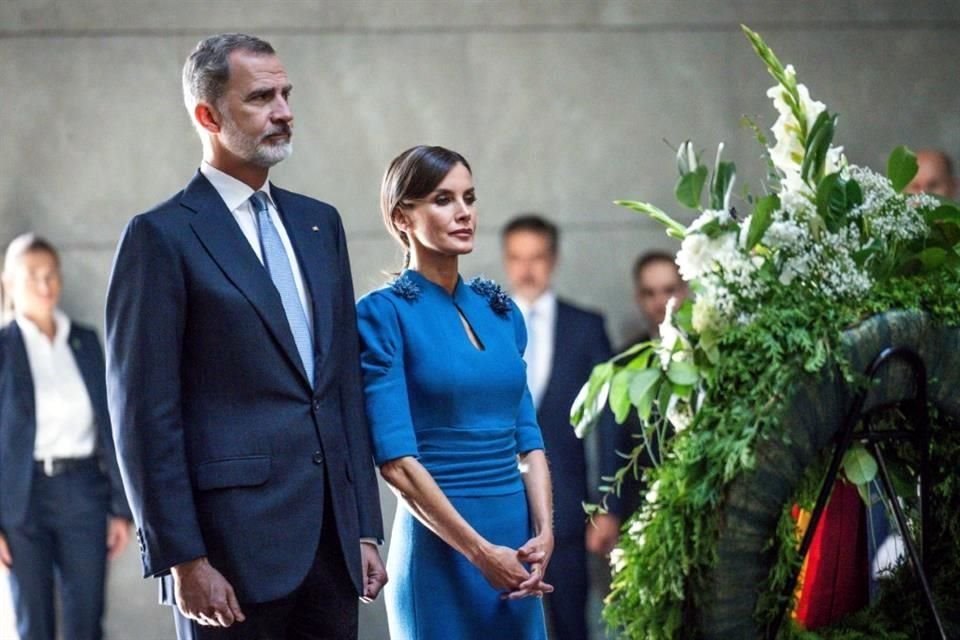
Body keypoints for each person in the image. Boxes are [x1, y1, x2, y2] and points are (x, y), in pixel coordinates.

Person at [105, 33, 385, 640]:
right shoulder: (160, 237)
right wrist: (182, 559)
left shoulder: (320, 223)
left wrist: (364, 525)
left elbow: (339, 391)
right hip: (226, 559)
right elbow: (143, 416)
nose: (284, 110)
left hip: (332, 552)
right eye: (261, 97)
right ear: (208, 115)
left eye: (286, 93)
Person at [356, 146, 553, 639]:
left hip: (520, 552)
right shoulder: (381, 315)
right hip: (441, 550)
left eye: (469, 197)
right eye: (443, 199)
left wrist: (545, 533)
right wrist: (481, 553)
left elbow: (529, 440)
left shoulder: (501, 309)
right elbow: (396, 462)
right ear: (403, 216)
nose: (464, 211)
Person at [0, 233, 132, 640]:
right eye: (33, 276)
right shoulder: (4, 348)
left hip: (84, 495)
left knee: (86, 620)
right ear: (9, 283)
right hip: (21, 504)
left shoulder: (86, 341)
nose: (45, 286)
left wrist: (121, 508)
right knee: (33, 623)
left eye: (51, 274)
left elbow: (112, 425)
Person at [501, 214, 621, 640]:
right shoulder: (485, 325)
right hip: (496, 510)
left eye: (536, 257)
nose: (526, 269)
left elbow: (610, 421)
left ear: (552, 259)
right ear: (505, 260)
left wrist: (607, 504)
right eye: (517, 258)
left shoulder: (585, 326)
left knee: (572, 626)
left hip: (569, 511)